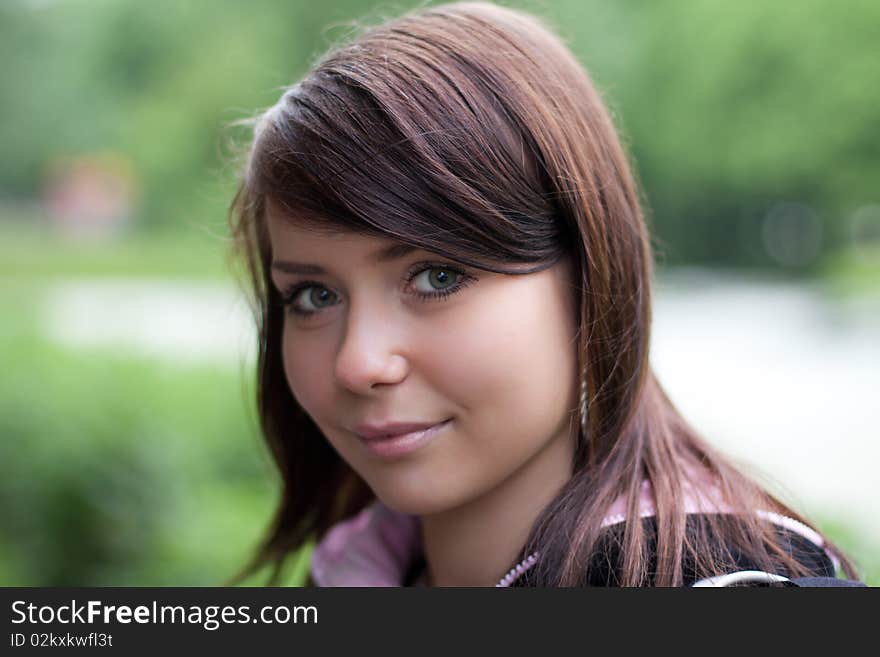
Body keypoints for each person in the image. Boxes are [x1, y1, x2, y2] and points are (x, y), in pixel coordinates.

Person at [227, 1, 861, 587]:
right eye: (312, 296)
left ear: (592, 276)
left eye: (437, 277)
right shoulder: (357, 568)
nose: (358, 364)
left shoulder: (710, 578)